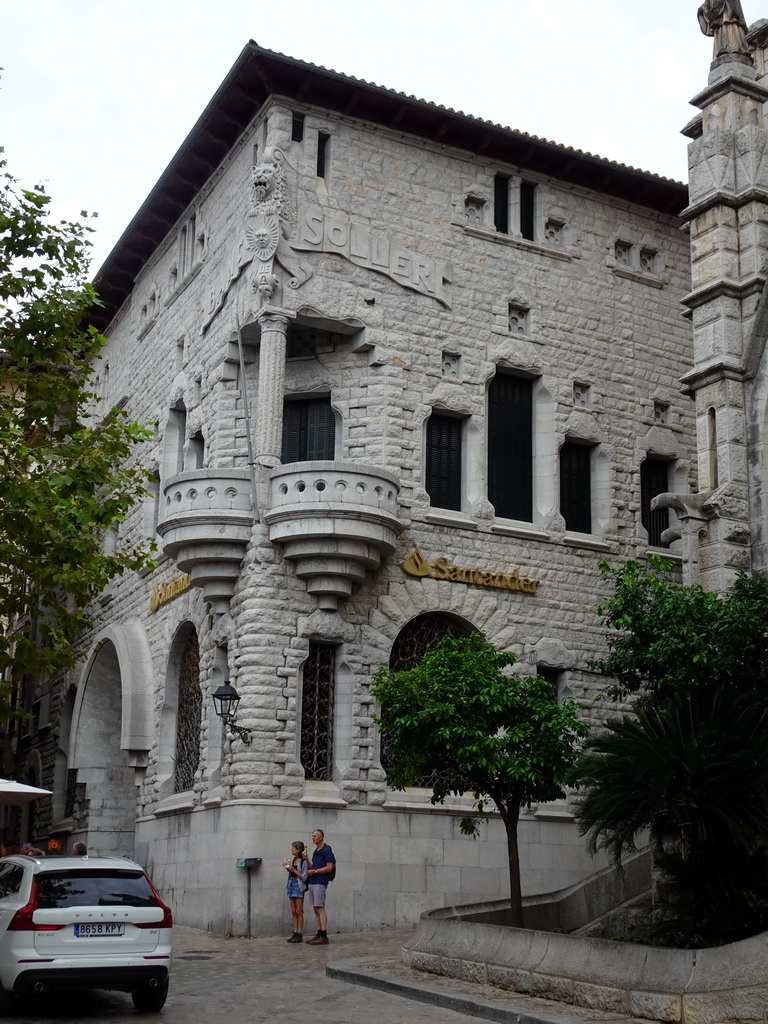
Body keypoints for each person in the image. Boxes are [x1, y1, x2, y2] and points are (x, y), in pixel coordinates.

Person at [305, 828, 334, 945]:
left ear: (321, 837)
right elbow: (313, 865)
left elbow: (329, 867)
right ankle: (318, 933)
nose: (313, 838)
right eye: (312, 836)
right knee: (315, 908)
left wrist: (315, 871)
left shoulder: (327, 850)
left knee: (320, 907)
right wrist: (307, 859)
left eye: (315, 836)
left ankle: (324, 934)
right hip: (313, 881)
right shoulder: (316, 850)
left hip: (320, 881)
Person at [283, 841, 310, 943]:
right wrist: (288, 868)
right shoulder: (294, 860)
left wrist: (293, 871)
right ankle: (295, 931)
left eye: (293, 848)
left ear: (298, 850)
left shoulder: (303, 862)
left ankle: (299, 933)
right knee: (293, 910)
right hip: (291, 884)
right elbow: (292, 873)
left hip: (298, 886)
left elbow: (304, 877)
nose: (291, 850)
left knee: (299, 911)